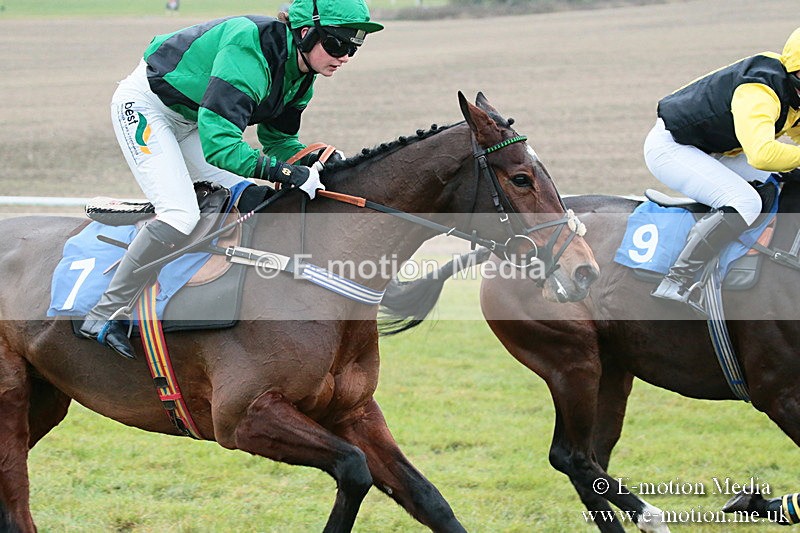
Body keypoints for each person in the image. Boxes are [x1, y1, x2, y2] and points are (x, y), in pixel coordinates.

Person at [79, 0, 383, 359]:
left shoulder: (303, 77)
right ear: (305, 33)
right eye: (336, 44)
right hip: (147, 109)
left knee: (250, 197)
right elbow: (221, 147)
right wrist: (286, 172)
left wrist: (314, 161)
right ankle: (104, 313)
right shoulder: (249, 49)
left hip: (194, 122)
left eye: (353, 47)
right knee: (180, 214)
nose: (344, 56)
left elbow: (279, 141)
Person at [644, 27, 800, 303]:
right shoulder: (759, 91)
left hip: (718, 149)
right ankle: (677, 280)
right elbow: (762, 155)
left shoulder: (794, 90)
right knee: (746, 202)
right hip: (673, 147)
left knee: (790, 177)